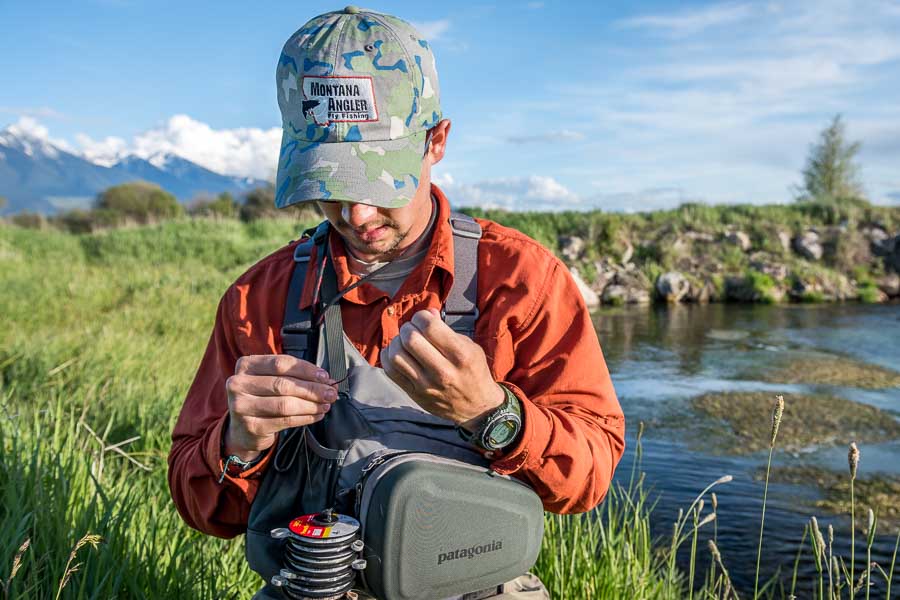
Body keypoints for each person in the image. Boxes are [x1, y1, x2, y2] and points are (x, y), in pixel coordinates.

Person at [168, 6, 625, 599]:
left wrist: (493, 414)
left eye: (377, 182)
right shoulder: (260, 298)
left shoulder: (522, 280)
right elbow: (202, 507)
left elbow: (589, 477)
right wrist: (237, 443)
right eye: (329, 186)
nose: (355, 216)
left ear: (437, 142)